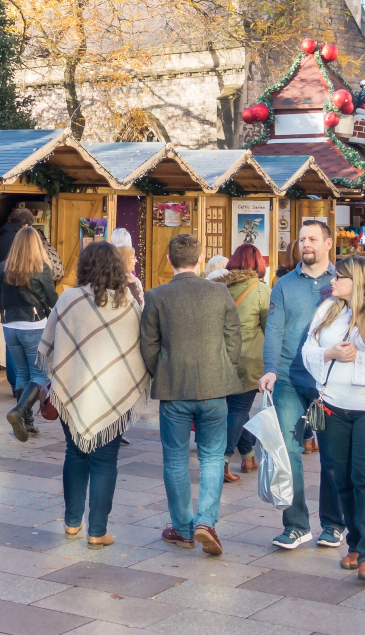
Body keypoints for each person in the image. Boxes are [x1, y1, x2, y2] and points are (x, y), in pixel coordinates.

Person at [302, 255, 365, 582]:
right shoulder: (327, 309)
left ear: (357, 280)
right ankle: (355, 544)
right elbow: (308, 350)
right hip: (333, 405)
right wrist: (330, 354)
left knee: (364, 475)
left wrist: (358, 360)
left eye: (340, 277)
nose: (333, 282)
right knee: (339, 476)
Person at [39, 241, 147, 548]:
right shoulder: (127, 303)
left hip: (71, 389)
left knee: (75, 453)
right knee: (104, 460)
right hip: (113, 395)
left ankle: (72, 523)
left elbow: (50, 342)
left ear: (84, 266)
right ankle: (97, 530)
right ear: (117, 267)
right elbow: (139, 349)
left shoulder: (69, 299)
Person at [141, 232, 242, 556]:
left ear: (169, 260)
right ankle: (206, 522)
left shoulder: (156, 296)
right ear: (200, 260)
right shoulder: (219, 292)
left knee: (175, 458)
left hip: (175, 388)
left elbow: (148, 346)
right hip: (215, 388)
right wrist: (223, 366)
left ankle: (183, 528)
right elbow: (233, 339)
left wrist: (163, 369)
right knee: (213, 458)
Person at [258, 217, 346, 551]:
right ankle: (295, 525)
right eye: (302, 239)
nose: (305, 244)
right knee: (288, 453)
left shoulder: (341, 282)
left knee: (332, 456)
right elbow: (275, 329)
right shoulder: (284, 284)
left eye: (312, 239)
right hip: (289, 379)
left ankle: (334, 524)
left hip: (328, 382)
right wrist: (270, 369)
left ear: (327, 244)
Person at [0, 225, 58, 440]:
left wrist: (5, 320)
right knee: (40, 374)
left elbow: (0, 297)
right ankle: (19, 412)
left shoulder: (4, 266)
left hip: (9, 326)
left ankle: (27, 423)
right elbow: (53, 300)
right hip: (34, 325)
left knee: (22, 374)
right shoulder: (41, 269)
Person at [221, 244, 270, 481]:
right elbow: (268, 327)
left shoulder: (220, 287)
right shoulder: (260, 290)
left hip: (223, 359)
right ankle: (223, 459)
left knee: (235, 409)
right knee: (239, 409)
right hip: (249, 359)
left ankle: (248, 455)